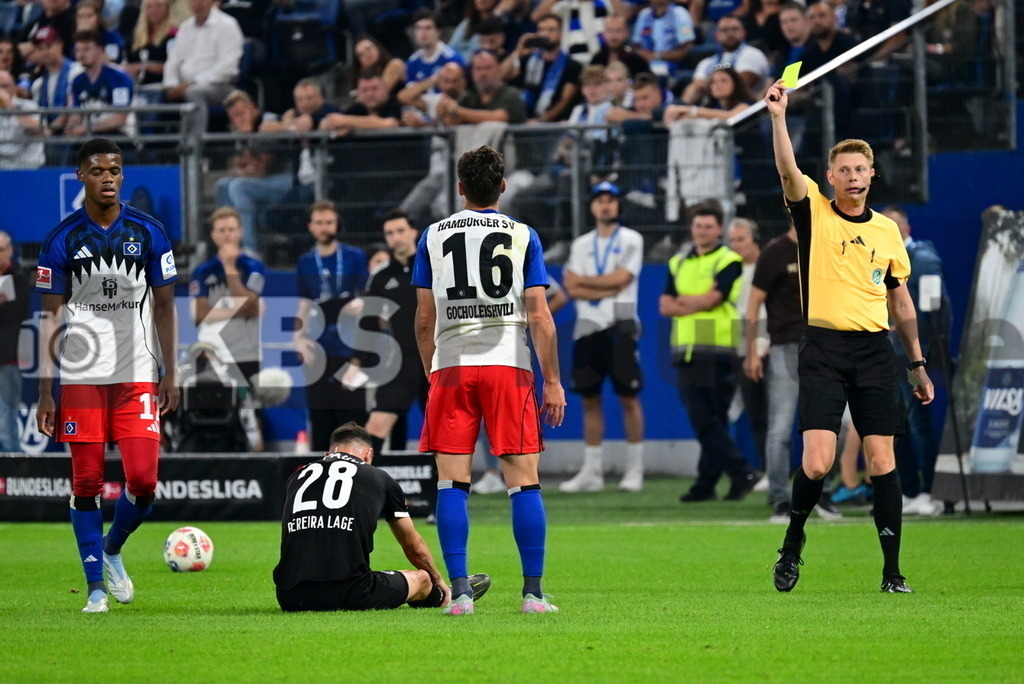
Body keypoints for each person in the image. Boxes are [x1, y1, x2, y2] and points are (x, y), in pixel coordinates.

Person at [765, 78, 934, 594]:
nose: (854, 176)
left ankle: (892, 573)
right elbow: (787, 170)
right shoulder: (813, 211)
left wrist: (917, 362)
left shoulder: (887, 232)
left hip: (874, 351)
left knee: (882, 460)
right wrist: (778, 117)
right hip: (822, 348)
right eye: (844, 170)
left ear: (872, 175)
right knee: (817, 462)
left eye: (862, 169)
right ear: (831, 177)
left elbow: (899, 300)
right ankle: (792, 544)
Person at [412, 145, 565, 615]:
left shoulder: (433, 236)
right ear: (502, 186)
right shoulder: (523, 236)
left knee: (452, 483)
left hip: (452, 365)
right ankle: (533, 595)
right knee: (523, 480)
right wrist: (552, 381)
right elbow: (540, 316)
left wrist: (431, 372)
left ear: (459, 187)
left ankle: (459, 593)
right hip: (507, 366)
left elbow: (423, 319)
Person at [36, 137, 180, 613]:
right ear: (82, 176)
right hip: (80, 378)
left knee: (143, 480)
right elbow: (50, 320)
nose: (109, 178)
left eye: (115, 170)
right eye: (98, 171)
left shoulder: (149, 232)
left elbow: (164, 306)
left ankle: (114, 547)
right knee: (87, 484)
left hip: (137, 373)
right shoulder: (60, 240)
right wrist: (46, 392)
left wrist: (170, 371)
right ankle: (95, 587)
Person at [274, 422, 467, 612]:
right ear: (368, 454)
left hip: (291, 596)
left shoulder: (296, 478)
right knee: (422, 579)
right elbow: (413, 546)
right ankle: (443, 595)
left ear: (328, 454)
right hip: (351, 592)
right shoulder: (379, 477)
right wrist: (437, 579)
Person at [660, 203, 760, 503]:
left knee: (708, 419)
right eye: (697, 225)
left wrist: (684, 303)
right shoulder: (678, 261)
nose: (701, 231)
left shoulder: (728, 259)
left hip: (718, 349)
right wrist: (696, 302)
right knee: (708, 419)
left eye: (708, 226)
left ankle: (734, 473)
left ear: (719, 230)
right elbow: (665, 305)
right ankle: (723, 479)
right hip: (687, 349)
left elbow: (713, 299)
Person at [559, 181, 645, 493]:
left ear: (619, 205)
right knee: (589, 399)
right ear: (592, 207)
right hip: (588, 327)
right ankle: (592, 472)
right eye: (600, 201)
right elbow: (573, 287)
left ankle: (635, 469)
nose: (605, 205)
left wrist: (589, 283)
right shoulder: (581, 244)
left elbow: (623, 280)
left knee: (628, 397)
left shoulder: (631, 239)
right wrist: (604, 285)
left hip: (620, 323)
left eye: (611, 200)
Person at [880, 205, 949, 517]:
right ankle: (907, 489)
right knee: (898, 422)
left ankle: (929, 490)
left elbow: (937, 309)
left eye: (895, 226)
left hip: (911, 358)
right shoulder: (878, 260)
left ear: (906, 229)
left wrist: (930, 353)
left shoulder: (923, 259)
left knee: (917, 421)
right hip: (887, 355)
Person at [294, 201, 370, 452]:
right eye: (319, 223)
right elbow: (304, 304)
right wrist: (297, 337)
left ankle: (358, 479)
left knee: (353, 422)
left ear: (337, 225)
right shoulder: (305, 262)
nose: (324, 228)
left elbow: (366, 301)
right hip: (318, 351)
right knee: (320, 420)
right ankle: (322, 479)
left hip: (349, 349)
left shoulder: (354, 256)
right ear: (310, 226)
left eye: (329, 222)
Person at [363, 210, 428, 454]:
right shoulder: (380, 277)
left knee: (444, 430)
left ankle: (447, 489)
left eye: (400, 231)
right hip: (400, 363)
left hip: (435, 362)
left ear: (413, 232)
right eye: (389, 233)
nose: (396, 237)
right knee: (376, 426)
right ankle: (365, 486)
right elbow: (368, 323)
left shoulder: (434, 267)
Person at [189, 207, 265, 388]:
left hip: (247, 355)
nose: (227, 235)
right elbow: (200, 314)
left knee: (251, 412)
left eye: (231, 230)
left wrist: (230, 267)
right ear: (213, 235)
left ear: (240, 232)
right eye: (221, 230)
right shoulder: (202, 271)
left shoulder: (253, 266)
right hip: (212, 353)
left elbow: (250, 306)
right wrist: (243, 309)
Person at [162, 0, 243, 133]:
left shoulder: (227, 25)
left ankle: (194, 147)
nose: (197, 3)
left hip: (220, 86)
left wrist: (192, 83)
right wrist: (171, 85)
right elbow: (172, 62)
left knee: (194, 92)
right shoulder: (185, 27)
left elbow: (228, 67)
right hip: (184, 85)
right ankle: (149, 146)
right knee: (151, 92)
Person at [680, 16, 771, 105]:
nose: (730, 33)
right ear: (716, 36)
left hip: (742, 109)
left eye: (735, 29)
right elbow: (697, 85)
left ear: (744, 33)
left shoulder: (752, 54)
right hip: (711, 108)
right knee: (691, 89)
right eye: (724, 30)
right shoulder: (707, 62)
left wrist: (708, 84)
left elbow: (738, 85)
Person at [65, 30, 134, 137]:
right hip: (88, 137)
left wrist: (87, 128)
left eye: (86, 49)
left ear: (100, 50)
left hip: (118, 136)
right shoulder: (77, 81)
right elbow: (76, 114)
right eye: (77, 50)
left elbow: (120, 119)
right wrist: (70, 128)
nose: (81, 55)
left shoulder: (119, 78)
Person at [0, 230, 29, 451]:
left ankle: (13, 481)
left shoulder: (18, 278)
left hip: (6, 362)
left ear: (10, 251)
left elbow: (12, 314)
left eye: (1, 250)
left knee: (5, 426)